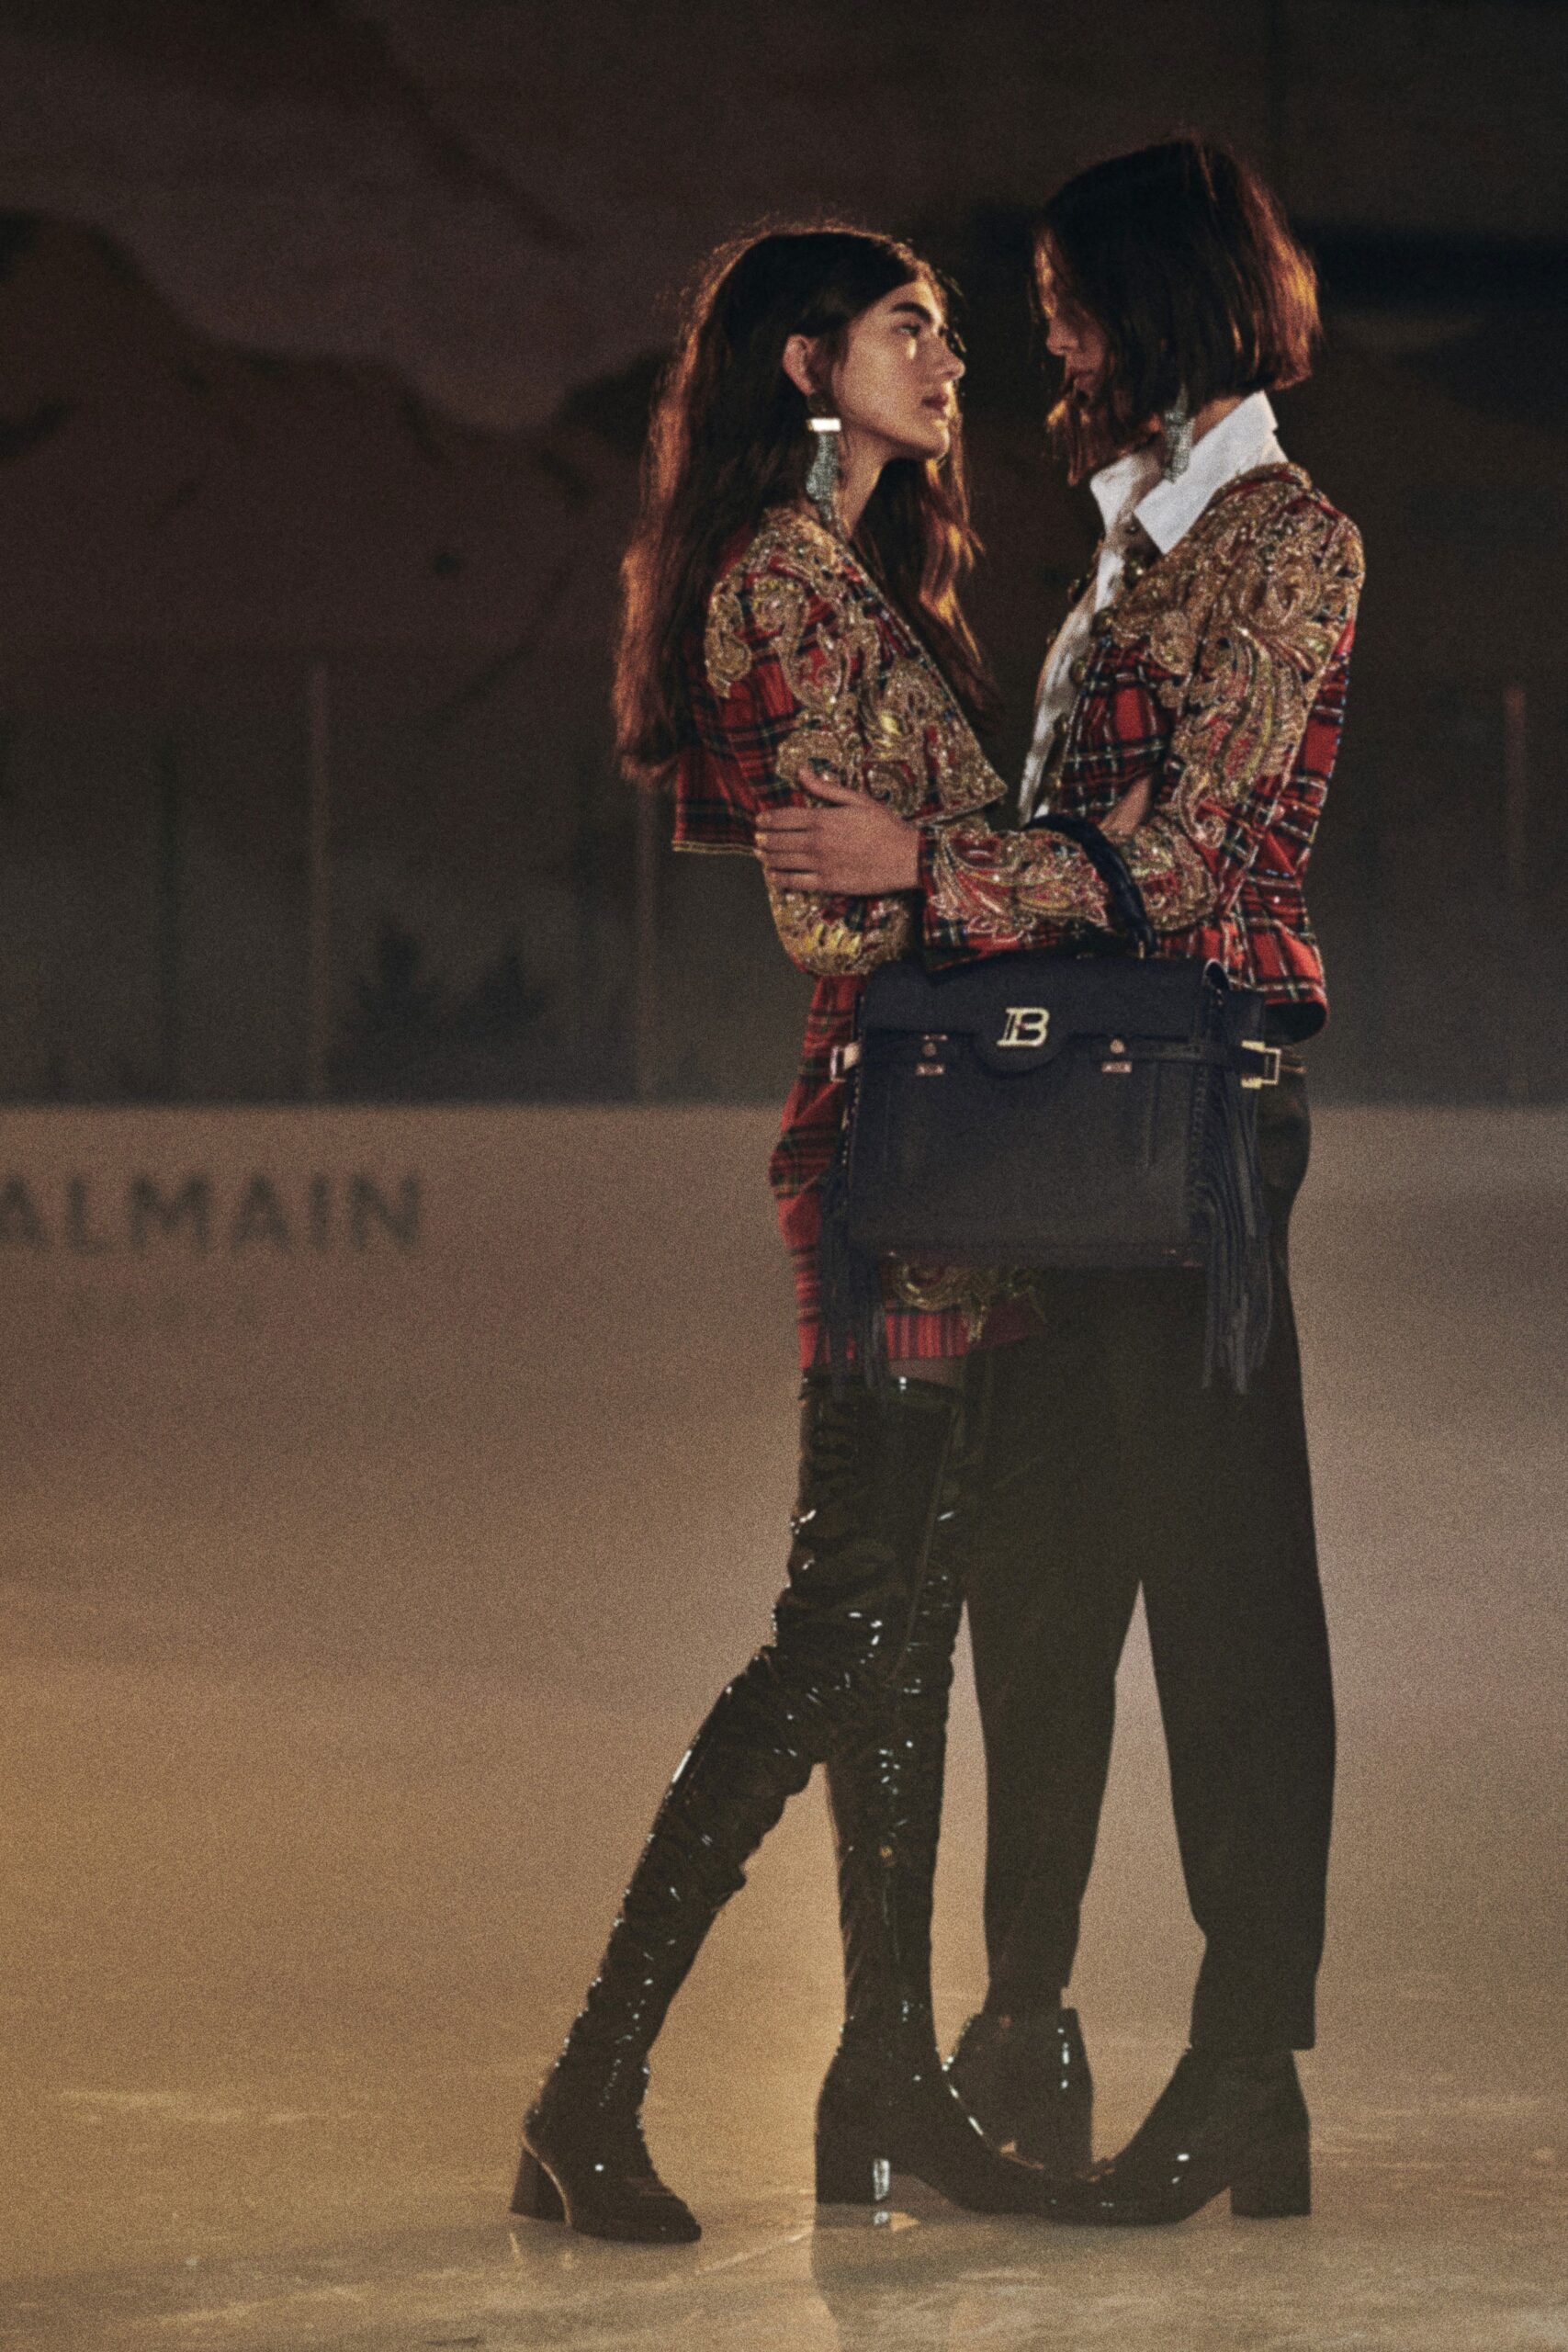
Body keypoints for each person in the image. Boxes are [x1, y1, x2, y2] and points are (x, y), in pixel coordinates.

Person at [757, 137, 1365, 2226]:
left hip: (1189, 1133)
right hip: (1056, 1135)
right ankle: (1021, 2018)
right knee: (1033, 1586)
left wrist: (925, 864)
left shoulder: (1287, 539)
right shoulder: (1125, 543)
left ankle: (1247, 2061)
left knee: (1222, 1597)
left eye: (1072, 309)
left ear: (1161, 303)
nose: (1055, 345)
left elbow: (1189, 862)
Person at [512, 226, 1059, 2245]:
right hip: (892, 1143)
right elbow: (834, 901)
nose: (949, 354)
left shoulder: (855, 580)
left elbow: (902, 872)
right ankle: (589, 2087)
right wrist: (1021, 868)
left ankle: (885, 2074)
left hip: (948, 1145)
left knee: (902, 1631)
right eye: (910, 326)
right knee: (845, 1624)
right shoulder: (778, 580)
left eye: (948, 326)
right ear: (809, 361)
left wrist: (956, 864)